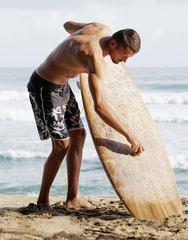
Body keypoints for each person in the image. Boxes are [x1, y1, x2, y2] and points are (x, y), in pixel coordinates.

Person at [27, 21, 145, 212]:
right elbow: (100, 106)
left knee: (79, 135)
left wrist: (72, 53)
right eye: (123, 56)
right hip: (45, 87)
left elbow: (67, 25)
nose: (124, 61)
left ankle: (73, 198)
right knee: (61, 146)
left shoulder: (101, 29)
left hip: (62, 85)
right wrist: (129, 135)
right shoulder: (95, 58)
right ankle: (42, 201)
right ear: (113, 44)